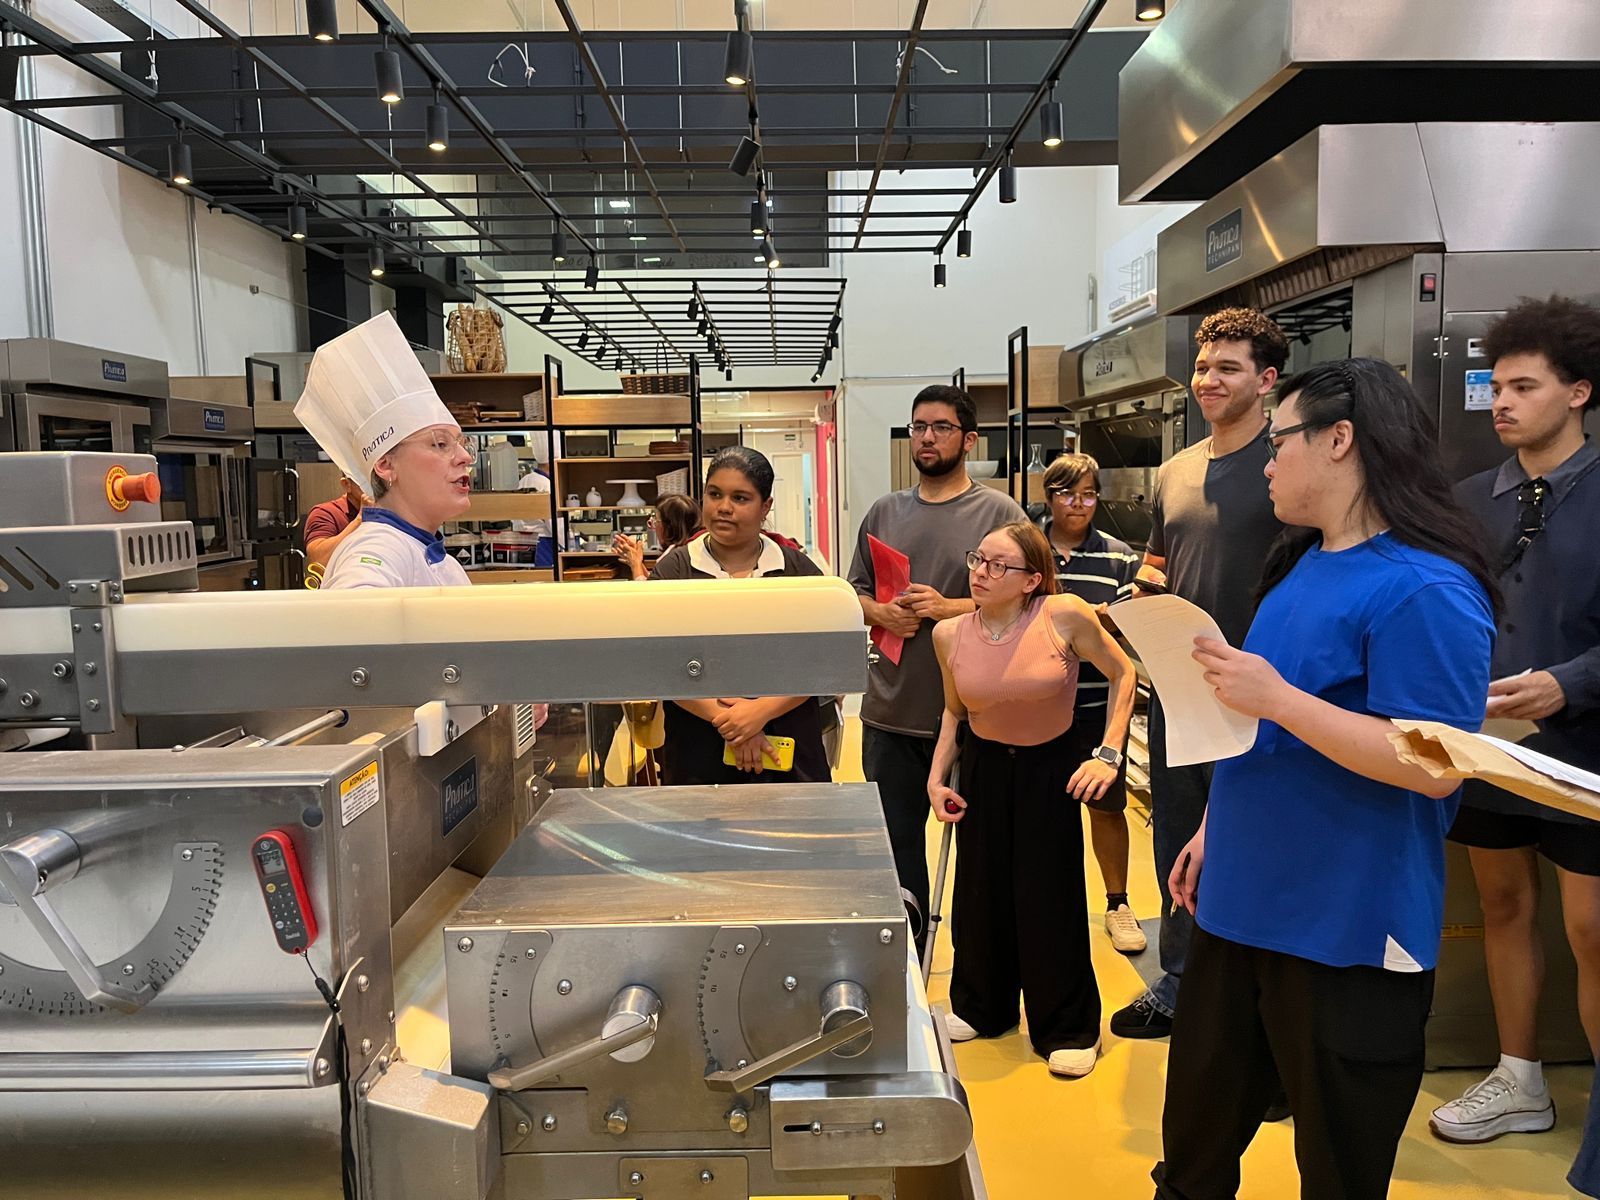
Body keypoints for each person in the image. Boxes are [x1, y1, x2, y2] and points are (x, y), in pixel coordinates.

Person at [1153, 358, 1498, 1200]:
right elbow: (1268, 736)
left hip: (1345, 928)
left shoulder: (1426, 589)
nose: (1266, 463)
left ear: (1339, 440)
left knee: (1338, 1167)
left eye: (1280, 443)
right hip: (1240, 907)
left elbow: (1434, 769)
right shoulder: (1300, 564)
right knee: (1195, 1144)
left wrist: (1280, 698)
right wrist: (1212, 831)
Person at [1430, 295, 1600, 1145]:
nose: (1500, 401)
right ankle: (1520, 1078)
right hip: (1489, 745)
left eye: (1522, 386)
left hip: (1585, 748)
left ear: (1577, 393)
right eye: (1495, 385)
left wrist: (1570, 684)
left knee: (1591, 926)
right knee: (1500, 905)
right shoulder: (1469, 501)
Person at [1111, 307, 1289, 1041]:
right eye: (1204, 367)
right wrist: (1140, 599)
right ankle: (1182, 980)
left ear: (1267, 380)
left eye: (1228, 368)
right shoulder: (1177, 470)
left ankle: (1255, 1001)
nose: (1209, 380)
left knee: (1254, 844)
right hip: (1179, 690)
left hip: (1263, 692)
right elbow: (1160, 558)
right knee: (1176, 835)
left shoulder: (1288, 462)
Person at [929, 521, 1135, 1078]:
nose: (980, 572)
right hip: (984, 767)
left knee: (1049, 894)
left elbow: (1123, 675)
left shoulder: (1064, 614)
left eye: (999, 565)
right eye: (978, 560)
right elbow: (955, 710)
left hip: (1052, 764)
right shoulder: (949, 634)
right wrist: (936, 776)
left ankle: (1068, 1025)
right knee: (981, 890)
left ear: (1031, 580)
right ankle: (982, 1006)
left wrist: (1109, 754)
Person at [848, 385, 1025, 945]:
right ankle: (908, 968)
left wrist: (952, 609)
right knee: (895, 860)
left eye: (941, 427)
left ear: (969, 439)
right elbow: (851, 593)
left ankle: (977, 981)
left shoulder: (1000, 514)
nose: (926, 436)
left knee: (979, 861)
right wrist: (879, 610)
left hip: (975, 721)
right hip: (890, 714)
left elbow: (1035, 601)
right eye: (918, 426)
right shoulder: (884, 511)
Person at [648, 447, 829, 785]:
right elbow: (662, 664)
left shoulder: (799, 573)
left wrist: (760, 712)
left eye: (740, 498)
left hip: (788, 751)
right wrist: (732, 723)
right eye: (714, 494)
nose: (724, 508)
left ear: (766, 507)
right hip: (697, 751)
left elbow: (819, 662)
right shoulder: (674, 572)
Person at [1040, 451, 1145, 953]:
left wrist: (1105, 621)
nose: (1078, 505)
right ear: (1049, 497)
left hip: (1095, 705)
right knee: (1046, 813)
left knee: (1106, 807)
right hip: (1038, 706)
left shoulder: (1120, 556)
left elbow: (1131, 628)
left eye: (1088, 494)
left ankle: (1118, 904)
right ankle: (1051, 905)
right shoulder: (1029, 549)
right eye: (1067, 494)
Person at [294, 311, 474, 590]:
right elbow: (355, 615)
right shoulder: (378, 547)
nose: (465, 457)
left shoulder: (430, 554)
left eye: (462, 444)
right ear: (385, 465)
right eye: (440, 444)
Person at [613, 493, 702, 581]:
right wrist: (636, 562)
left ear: (669, 527)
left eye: (656, 521)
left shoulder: (675, 558)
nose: (653, 527)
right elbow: (654, 579)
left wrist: (636, 564)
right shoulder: (692, 549)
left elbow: (648, 592)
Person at [303, 475, 366, 570]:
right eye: (366, 479)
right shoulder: (325, 512)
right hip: (342, 583)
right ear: (346, 484)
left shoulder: (391, 509)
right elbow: (318, 561)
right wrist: (360, 518)